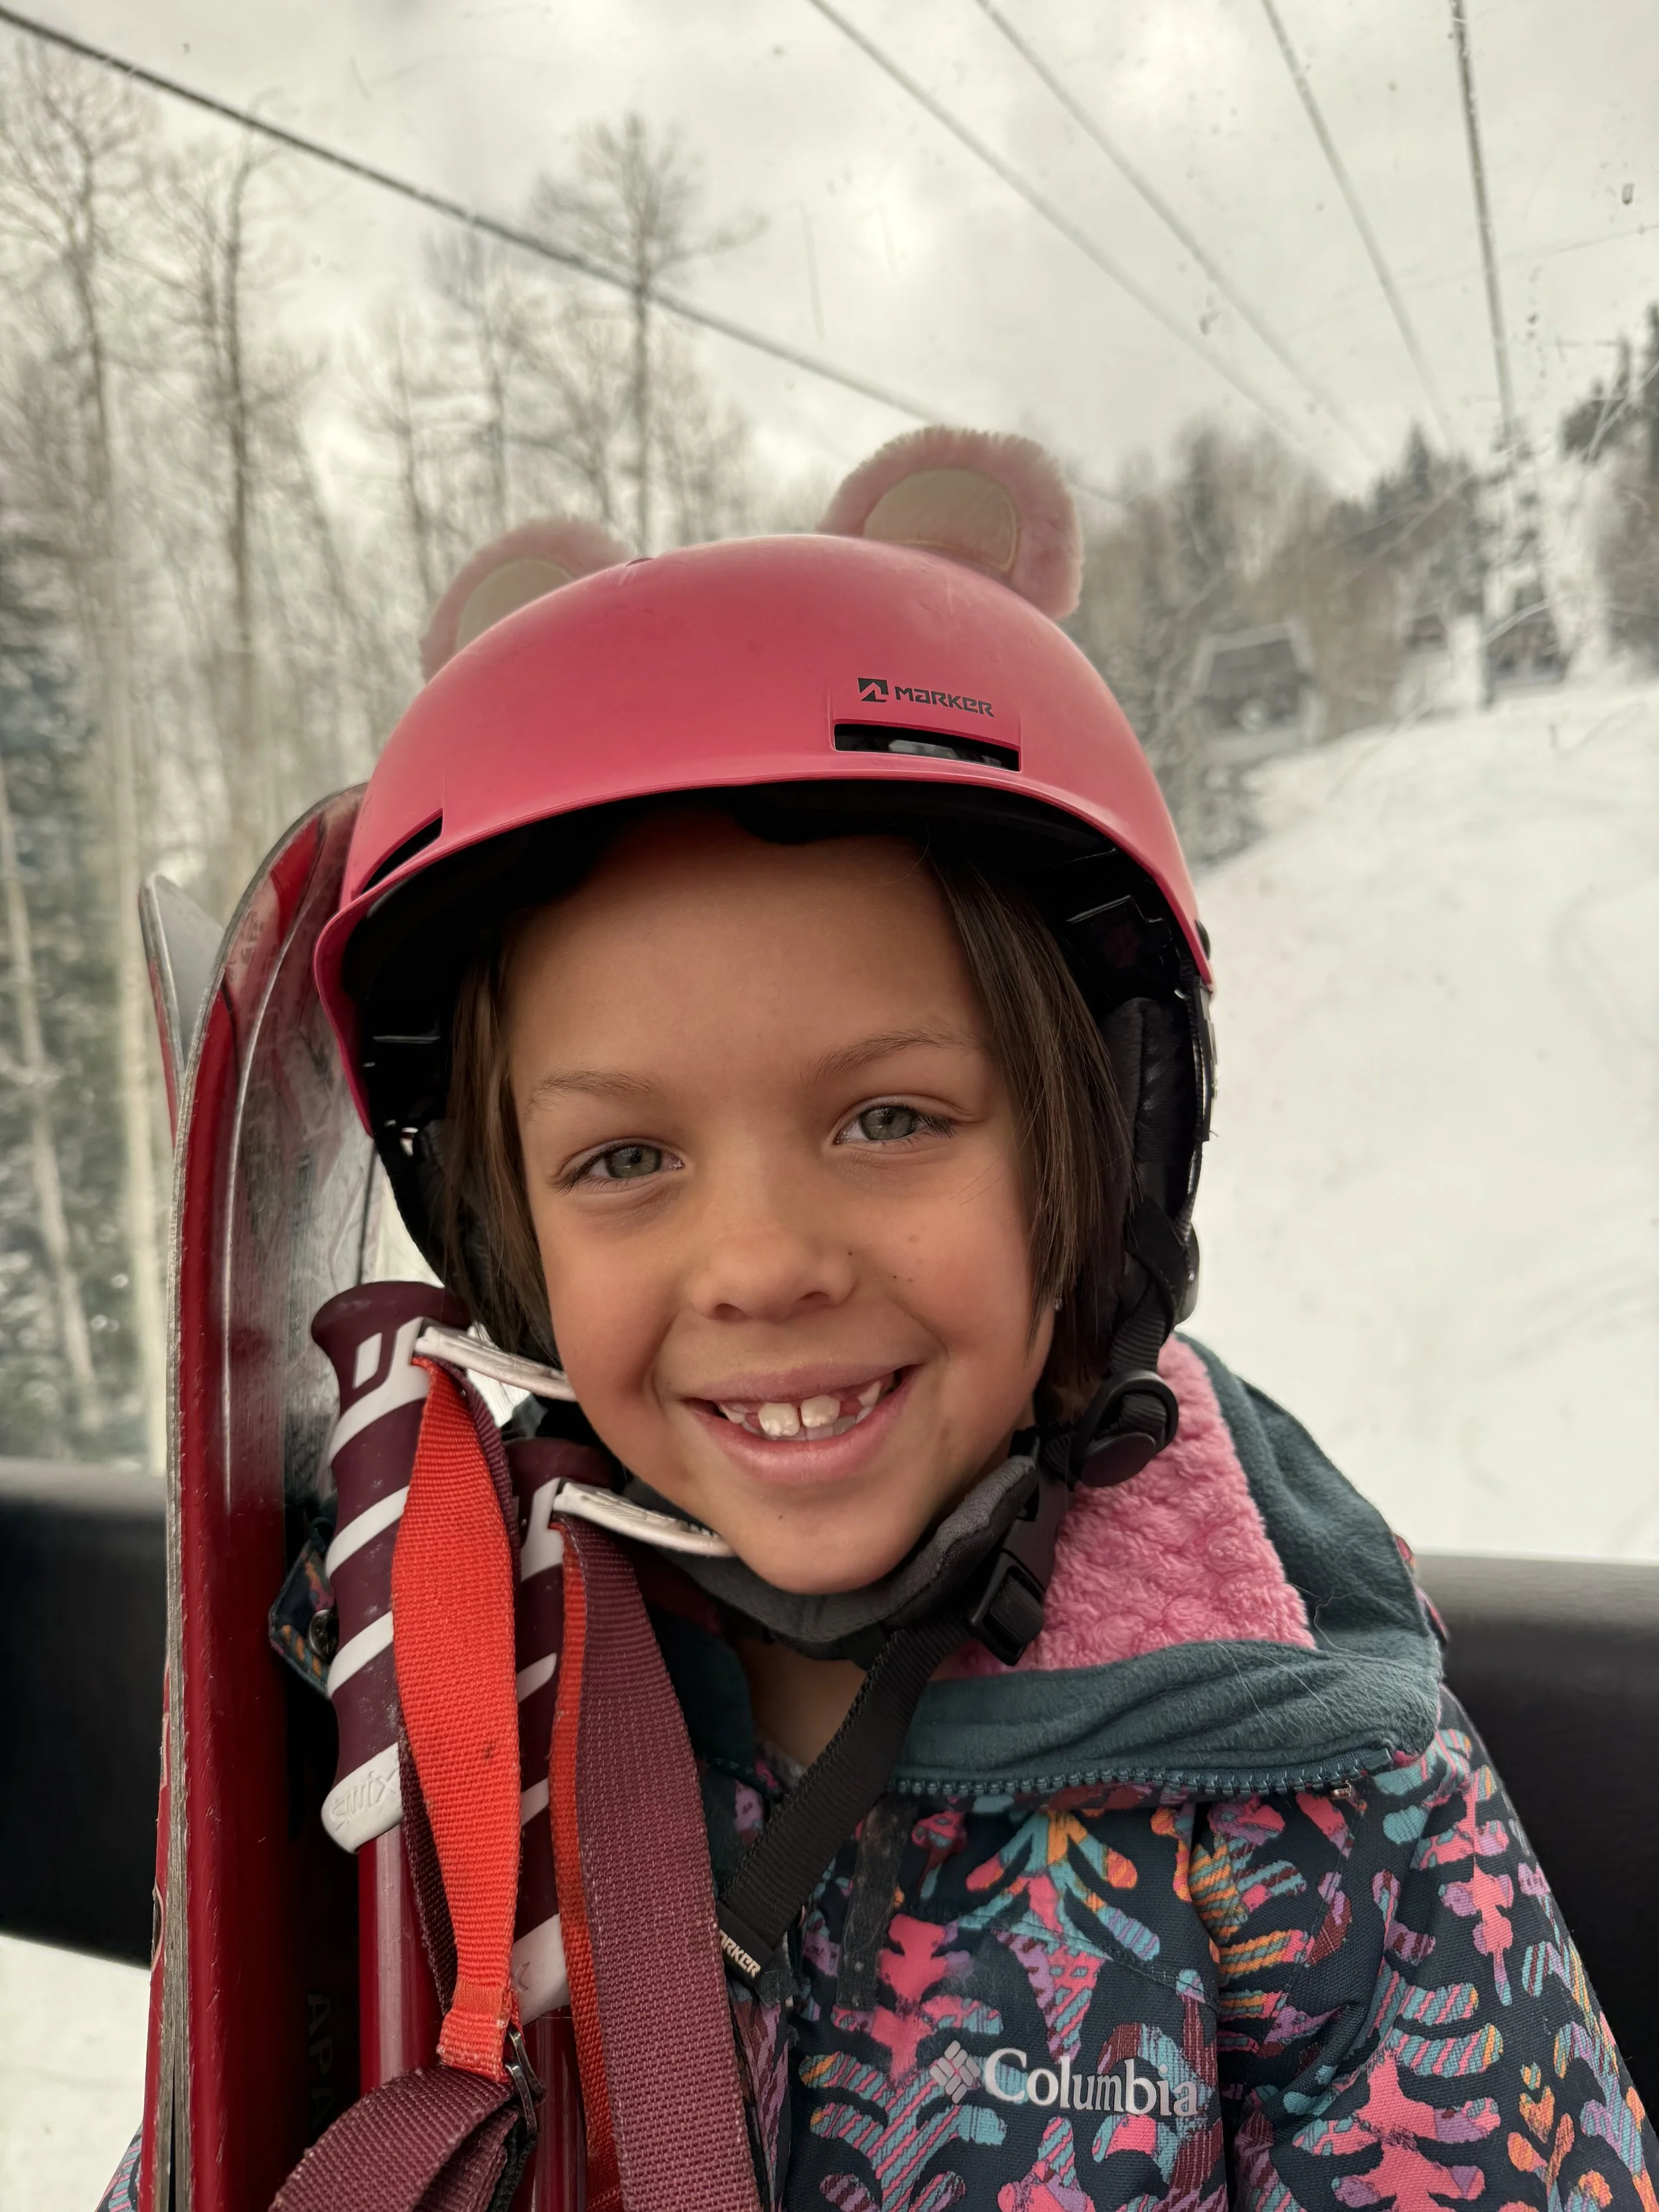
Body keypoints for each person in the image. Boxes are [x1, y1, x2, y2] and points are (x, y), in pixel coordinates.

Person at [109, 428, 1654, 2212]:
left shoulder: (1308, 1789)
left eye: (886, 1119)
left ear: (1103, 1139)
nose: (760, 1260)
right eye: (623, 1156)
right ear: (499, 1230)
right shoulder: (433, 1669)